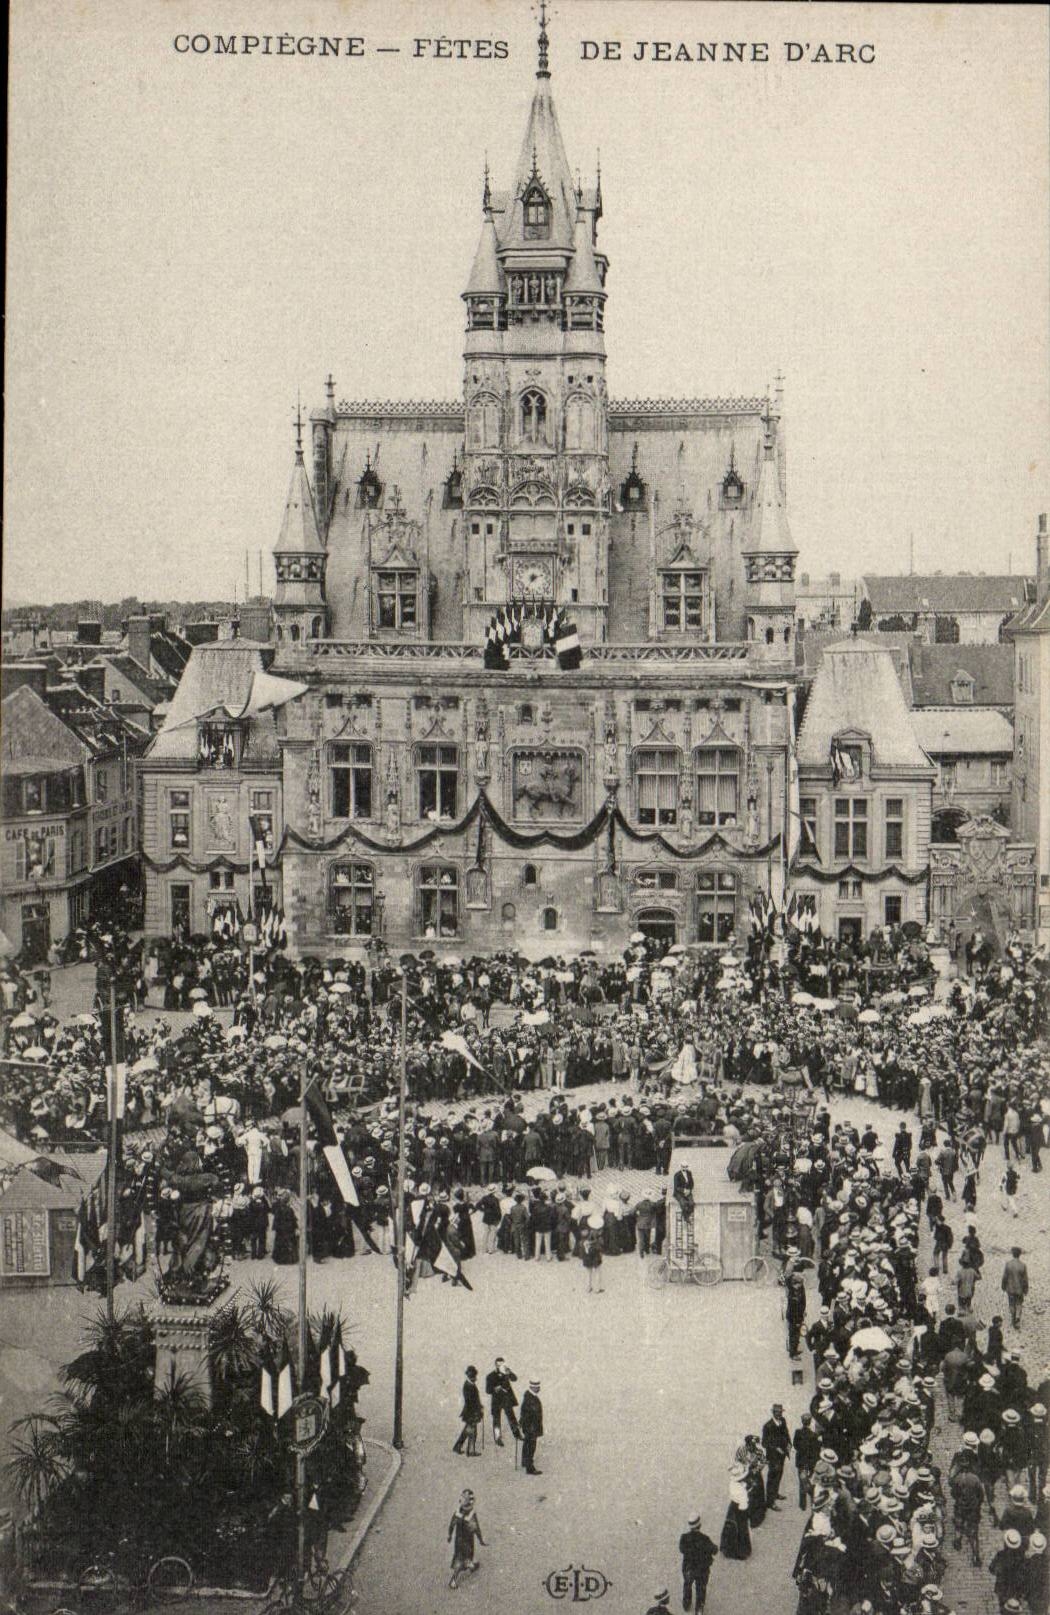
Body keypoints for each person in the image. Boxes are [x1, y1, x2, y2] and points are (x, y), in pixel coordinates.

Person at [678, 1514, 717, 1613]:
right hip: (702, 1569)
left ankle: (686, 1603)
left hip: (688, 1567)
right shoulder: (705, 1539)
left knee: (687, 1584)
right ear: (700, 1525)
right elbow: (714, 1550)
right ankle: (699, 1609)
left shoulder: (684, 1537)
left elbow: (681, 1549)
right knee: (701, 1588)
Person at [447, 1489, 485, 1589]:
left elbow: (452, 1524)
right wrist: (480, 1540)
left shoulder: (458, 1512)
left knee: (464, 1555)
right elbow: (476, 1528)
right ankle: (453, 1580)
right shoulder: (471, 1514)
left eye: (463, 1497)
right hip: (466, 1541)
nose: (461, 1499)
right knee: (461, 1558)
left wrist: (450, 1535)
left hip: (459, 1540)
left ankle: (470, 1564)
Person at [485, 1358, 521, 1447]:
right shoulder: (490, 1376)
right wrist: (495, 1389)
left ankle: (517, 1434)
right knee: (496, 1419)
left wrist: (510, 1373)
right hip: (496, 1401)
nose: (500, 1366)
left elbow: (515, 1379)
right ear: (495, 1365)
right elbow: (488, 1390)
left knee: (512, 1417)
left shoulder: (506, 1372)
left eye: (502, 1364)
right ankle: (497, 1438)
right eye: (498, 1364)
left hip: (506, 1399)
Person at [761, 1404, 792, 1509]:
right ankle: (770, 1501)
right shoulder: (767, 1426)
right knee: (772, 1477)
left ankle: (775, 1493)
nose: (779, 1414)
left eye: (781, 1412)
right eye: (777, 1412)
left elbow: (786, 1433)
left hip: (782, 1455)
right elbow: (764, 1443)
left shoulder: (782, 1421)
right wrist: (775, 1448)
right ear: (773, 1413)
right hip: (773, 1456)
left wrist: (789, 1444)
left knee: (779, 1474)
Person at [719, 1464, 752, 1561]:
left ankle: (728, 1547)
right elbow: (743, 1505)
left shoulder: (733, 1484)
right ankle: (741, 1551)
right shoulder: (740, 1490)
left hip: (733, 1505)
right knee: (741, 1529)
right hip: (740, 1509)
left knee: (731, 1525)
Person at [453, 1366, 483, 1457]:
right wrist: (477, 1410)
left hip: (471, 1412)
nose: (476, 1378)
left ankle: (457, 1447)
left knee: (467, 1430)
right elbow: (470, 1401)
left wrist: (480, 1406)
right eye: (474, 1376)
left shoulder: (469, 1384)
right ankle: (470, 1451)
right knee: (472, 1431)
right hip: (471, 1412)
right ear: (471, 1376)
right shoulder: (468, 1386)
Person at [793, 1414, 821, 1511]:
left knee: (802, 1482)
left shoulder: (797, 1432)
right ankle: (813, 1500)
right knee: (812, 1481)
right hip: (811, 1462)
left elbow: (795, 1445)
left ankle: (802, 1504)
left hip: (801, 1461)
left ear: (802, 1421)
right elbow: (817, 1450)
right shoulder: (814, 1435)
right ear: (810, 1422)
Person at [519, 1378, 544, 1476]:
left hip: (529, 1427)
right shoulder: (531, 1398)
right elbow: (528, 1413)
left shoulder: (528, 1396)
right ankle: (530, 1467)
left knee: (527, 1445)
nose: (538, 1388)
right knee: (530, 1447)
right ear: (533, 1387)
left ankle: (525, 1463)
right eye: (537, 1387)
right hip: (531, 1427)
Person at [1001, 1248, 1029, 1330]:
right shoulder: (1023, 1265)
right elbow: (1025, 1279)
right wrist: (1026, 1288)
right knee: (1019, 1303)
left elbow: (1005, 1276)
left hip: (1010, 1288)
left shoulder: (1008, 1264)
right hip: (1019, 1289)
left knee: (1011, 1303)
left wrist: (1003, 1285)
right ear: (1019, 1254)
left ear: (1012, 1254)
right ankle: (1017, 1317)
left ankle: (1013, 1318)